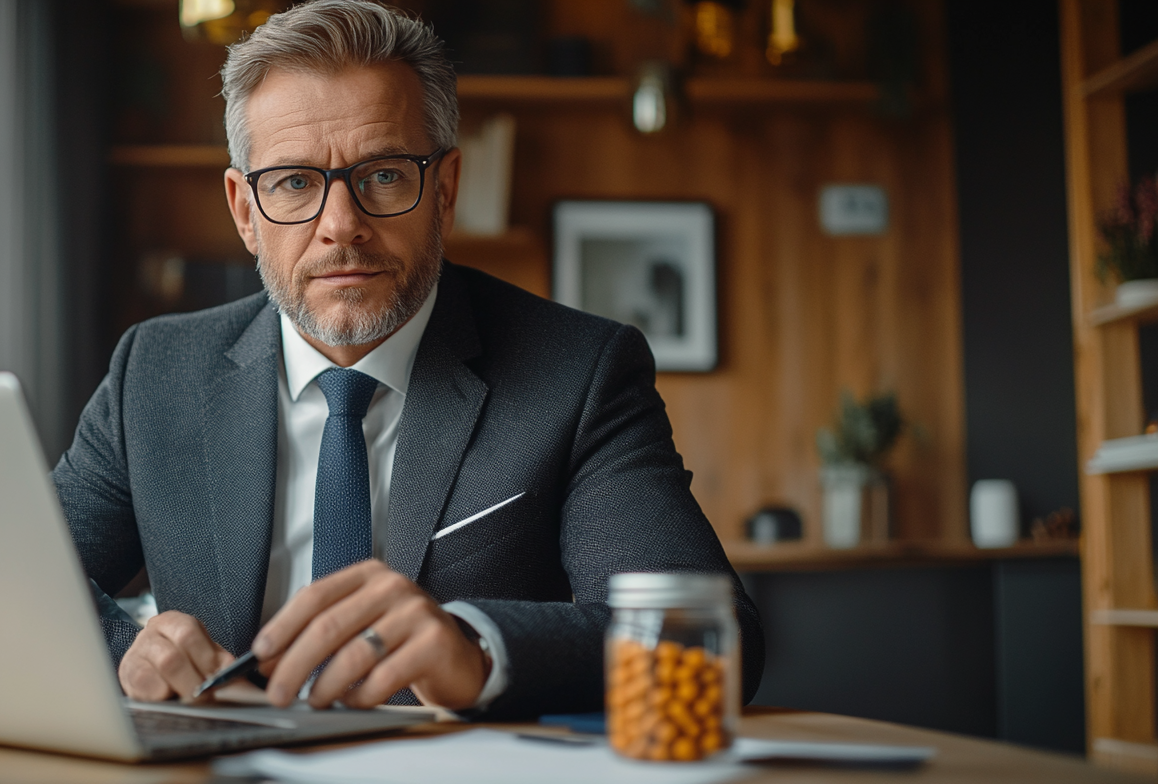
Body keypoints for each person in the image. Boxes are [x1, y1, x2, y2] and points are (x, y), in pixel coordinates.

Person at [53, 0, 763, 719]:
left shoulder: (579, 373)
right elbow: (9, 581)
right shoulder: (155, 371)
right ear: (244, 210)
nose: (341, 227)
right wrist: (127, 651)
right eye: (294, 182)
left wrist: (477, 649)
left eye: (385, 175)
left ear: (445, 190)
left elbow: (705, 640)